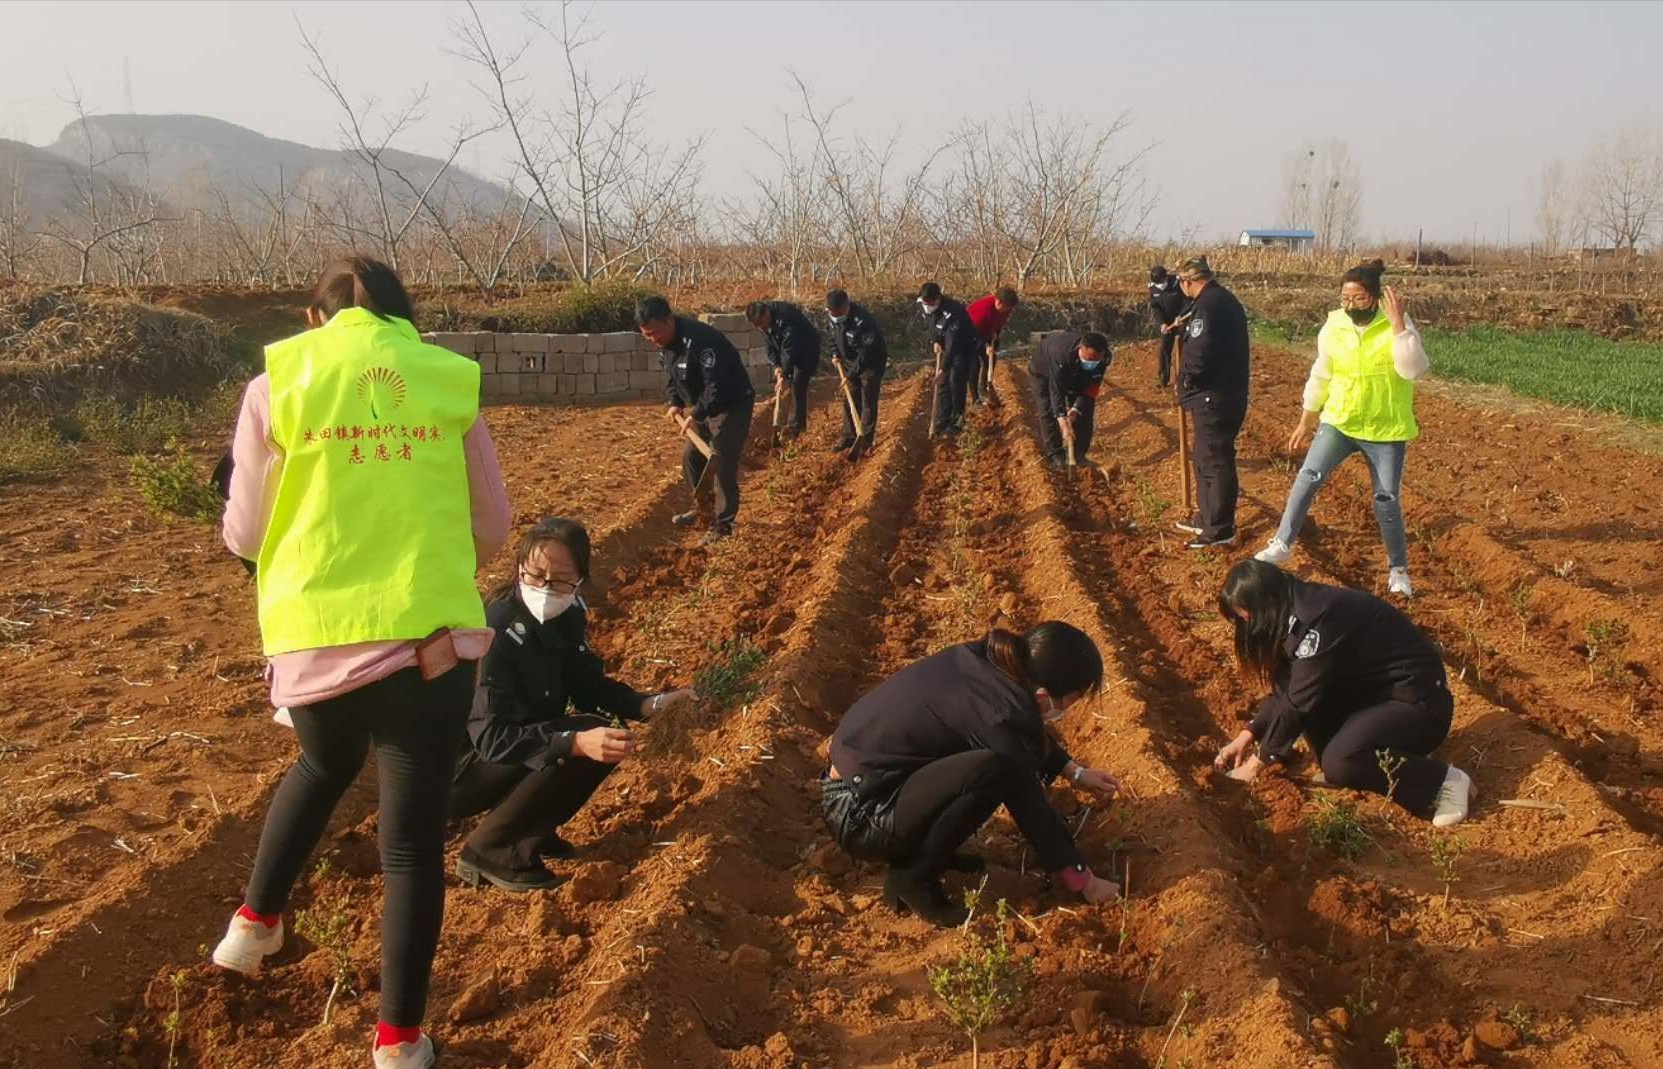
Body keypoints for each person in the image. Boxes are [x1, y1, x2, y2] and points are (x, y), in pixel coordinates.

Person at [213, 256, 511, 1069]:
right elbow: (493, 520)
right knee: (410, 846)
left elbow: (243, 531)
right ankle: (396, 1042)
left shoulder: (278, 381)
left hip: (315, 639)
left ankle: (254, 921)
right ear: (403, 318)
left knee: (321, 761)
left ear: (317, 318)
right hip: (429, 647)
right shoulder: (446, 379)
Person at [821, 622, 1123, 927]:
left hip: (862, 786)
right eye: (1071, 701)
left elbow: (1019, 739)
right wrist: (1082, 879)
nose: (1070, 709)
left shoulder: (984, 663)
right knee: (994, 772)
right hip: (862, 816)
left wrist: (1075, 772)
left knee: (988, 763)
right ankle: (912, 877)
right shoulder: (999, 710)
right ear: (1043, 696)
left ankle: (927, 853)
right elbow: (1030, 803)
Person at [449, 518, 694, 891]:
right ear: (519, 569)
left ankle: (532, 830)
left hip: (510, 746)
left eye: (561, 579)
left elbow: (587, 685)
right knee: (579, 740)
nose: (547, 588)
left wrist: (651, 704)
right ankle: (490, 850)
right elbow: (492, 739)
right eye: (536, 575)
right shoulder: (498, 629)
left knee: (603, 737)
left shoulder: (568, 615)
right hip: (458, 771)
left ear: (580, 580)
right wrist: (573, 743)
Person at [1212, 561, 1473, 825]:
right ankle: (1360, 763)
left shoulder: (1319, 617)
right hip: (1374, 696)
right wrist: (1249, 734)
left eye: (1247, 619)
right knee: (1329, 745)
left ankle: (1444, 782)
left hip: (1417, 702)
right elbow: (1287, 690)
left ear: (1264, 602)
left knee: (1342, 760)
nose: (1247, 629)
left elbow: (1299, 700)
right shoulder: (1292, 609)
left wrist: (1258, 763)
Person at [1254, 261, 1428, 598]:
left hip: (1385, 428)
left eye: (1359, 300)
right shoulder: (1333, 326)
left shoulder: (1398, 325)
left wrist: (1397, 327)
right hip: (1341, 419)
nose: (1350, 307)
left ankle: (1398, 570)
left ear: (1376, 298)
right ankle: (1283, 543)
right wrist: (1307, 418)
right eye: (1345, 300)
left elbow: (1412, 370)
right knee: (1309, 475)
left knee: (1386, 498)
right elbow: (1322, 373)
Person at [637, 296, 758, 543]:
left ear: (669, 320)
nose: (653, 340)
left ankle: (723, 524)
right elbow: (673, 378)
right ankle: (703, 509)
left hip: (732, 403)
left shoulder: (701, 341)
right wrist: (675, 403)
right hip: (704, 406)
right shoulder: (666, 344)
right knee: (691, 456)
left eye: (656, 333)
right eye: (647, 336)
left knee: (721, 458)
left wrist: (695, 414)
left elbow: (717, 386)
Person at [1171, 257, 1251, 550]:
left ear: (1188, 281)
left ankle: (1219, 528)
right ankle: (1207, 518)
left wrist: (1186, 381)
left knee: (1215, 459)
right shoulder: (1222, 300)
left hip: (1214, 396)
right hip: (1222, 394)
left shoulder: (1208, 306)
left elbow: (1200, 351)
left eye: (1181, 283)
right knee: (1205, 457)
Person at [1028, 329, 1112, 468]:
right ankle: (1055, 455)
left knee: (1085, 410)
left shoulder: (1104, 358)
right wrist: (1063, 422)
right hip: (1043, 371)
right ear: (1081, 349)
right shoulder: (1060, 354)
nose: (1093, 363)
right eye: (1090, 359)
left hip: (1079, 374)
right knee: (1048, 409)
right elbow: (1056, 391)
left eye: (1097, 360)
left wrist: (1075, 408)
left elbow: (1091, 388)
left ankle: (1079, 455)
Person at [825, 288, 888, 461]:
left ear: (847, 306)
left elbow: (866, 354)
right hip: (848, 363)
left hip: (870, 363)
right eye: (833, 312)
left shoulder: (863, 321)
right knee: (849, 399)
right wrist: (835, 354)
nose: (836, 315)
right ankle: (848, 436)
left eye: (839, 312)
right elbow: (832, 338)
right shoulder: (832, 317)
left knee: (867, 398)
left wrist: (850, 375)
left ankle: (866, 440)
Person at [745, 299, 820, 439]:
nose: (761, 327)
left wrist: (784, 374)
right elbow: (770, 346)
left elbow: (788, 350)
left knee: (798, 384)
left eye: (761, 323)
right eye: (757, 326)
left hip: (806, 349)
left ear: (766, 313)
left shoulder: (786, 317)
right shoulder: (762, 324)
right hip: (789, 351)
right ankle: (788, 423)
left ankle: (796, 427)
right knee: (789, 385)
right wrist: (777, 367)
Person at [918, 282, 981, 435]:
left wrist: (943, 369)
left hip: (963, 349)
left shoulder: (954, 312)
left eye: (929, 303)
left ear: (938, 299)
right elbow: (930, 328)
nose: (926, 306)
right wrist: (935, 341)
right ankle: (943, 419)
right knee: (943, 386)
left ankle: (957, 421)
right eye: (924, 303)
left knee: (956, 383)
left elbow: (953, 345)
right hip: (946, 348)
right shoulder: (927, 307)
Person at [965, 285, 1020, 406]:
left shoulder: (1006, 309)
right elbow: (974, 333)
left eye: (1009, 308)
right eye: (1006, 307)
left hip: (985, 332)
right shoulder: (983, 312)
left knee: (991, 358)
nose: (1007, 310)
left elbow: (998, 323)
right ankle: (975, 399)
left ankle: (983, 387)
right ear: (999, 302)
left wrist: (995, 333)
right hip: (967, 335)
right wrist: (985, 345)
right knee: (974, 364)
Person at [1147, 266, 1185, 389]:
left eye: (1162, 282)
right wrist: (1162, 323)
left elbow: (1188, 301)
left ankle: (1184, 380)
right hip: (1168, 324)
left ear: (1166, 277)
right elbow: (1156, 308)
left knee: (1184, 349)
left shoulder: (1178, 283)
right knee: (1164, 348)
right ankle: (1163, 379)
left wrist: (1181, 316)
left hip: (1182, 321)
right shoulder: (1153, 289)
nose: (1161, 286)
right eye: (1157, 284)